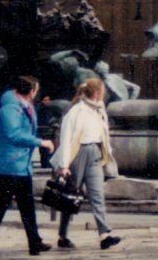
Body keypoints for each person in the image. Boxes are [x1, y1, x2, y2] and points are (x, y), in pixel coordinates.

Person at [0, 76, 55, 256]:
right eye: (36, 90)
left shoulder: (24, 106)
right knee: (1, 203)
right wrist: (40, 142)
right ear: (31, 91)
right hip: (9, 164)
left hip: (21, 164)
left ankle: (34, 241)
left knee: (26, 204)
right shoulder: (11, 109)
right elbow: (14, 134)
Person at [52, 78, 121, 250]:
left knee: (97, 194)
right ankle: (63, 235)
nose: (104, 94)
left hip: (95, 153)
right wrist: (64, 164)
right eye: (103, 91)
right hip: (77, 154)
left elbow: (104, 133)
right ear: (97, 93)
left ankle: (104, 235)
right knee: (71, 197)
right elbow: (66, 138)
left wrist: (107, 153)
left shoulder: (100, 110)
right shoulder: (76, 111)